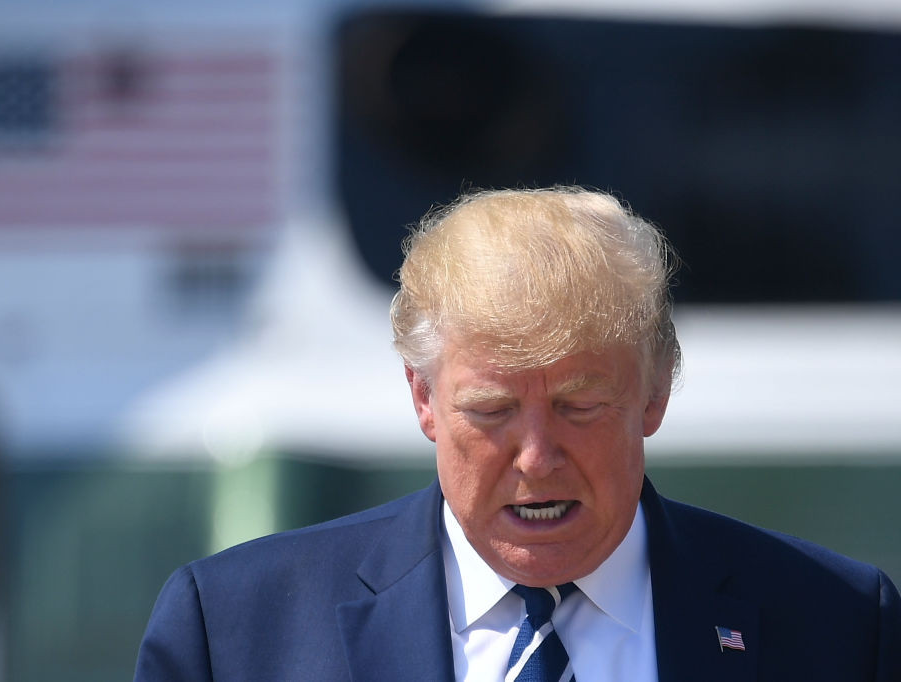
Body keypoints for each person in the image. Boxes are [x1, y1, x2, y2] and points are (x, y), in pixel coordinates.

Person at [133, 187, 900, 681]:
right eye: (493, 411)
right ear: (423, 399)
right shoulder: (234, 633)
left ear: (655, 392)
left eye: (579, 406)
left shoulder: (836, 627)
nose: (536, 457)